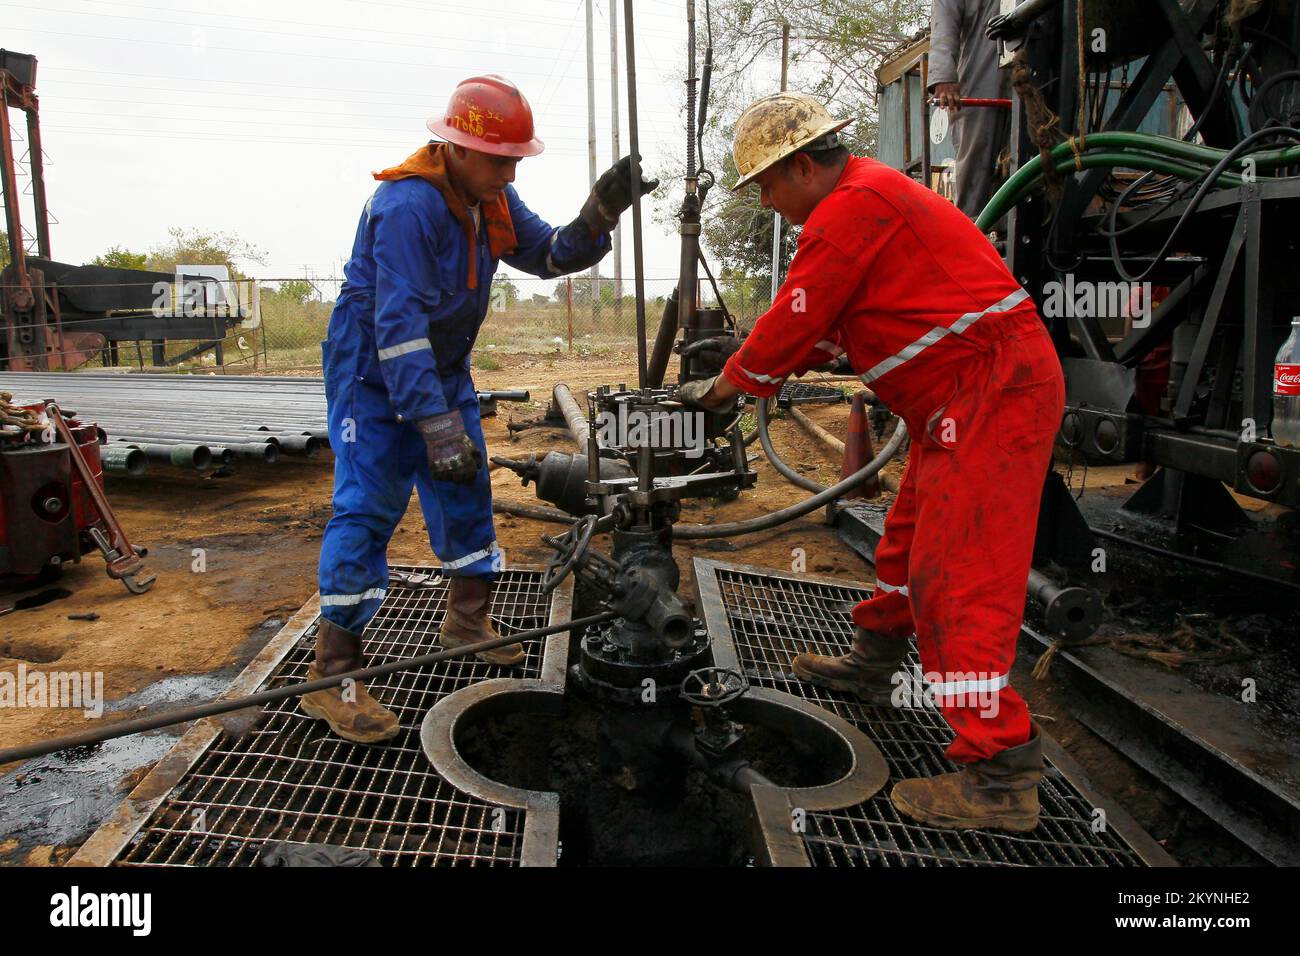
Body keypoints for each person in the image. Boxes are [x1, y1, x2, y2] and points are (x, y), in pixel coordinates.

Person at [680, 91, 1064, 832]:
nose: (766, 201)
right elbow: (827, 326)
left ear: (801, 166)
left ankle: (1000, 775)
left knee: (956, 577)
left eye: (765, 183)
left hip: (993, 392)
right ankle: (873, 662)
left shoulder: (855, 203)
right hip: (954, 397)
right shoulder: (861, 203)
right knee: (907, 543)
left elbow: (801, 309)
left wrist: (727, 388)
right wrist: (751, 360)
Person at [304, 74, 654, 743]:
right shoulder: (406, 206)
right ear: (458, 148)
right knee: (369, 507)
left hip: (439, 369)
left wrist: (600, 215)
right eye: (502, 159)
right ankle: (335, 675)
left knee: (464, 490)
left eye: (518, 159)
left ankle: (466, 623)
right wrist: (433, 425)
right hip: (373, 376)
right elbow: (397, 324)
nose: (512, 170)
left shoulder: (488, 196)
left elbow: (549, 255)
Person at [930, 0, 1011, 221]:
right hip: (981, 74)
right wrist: (944, 77)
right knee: (977, 156)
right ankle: (971, 226)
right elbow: (944, 23)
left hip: (1031, 78)